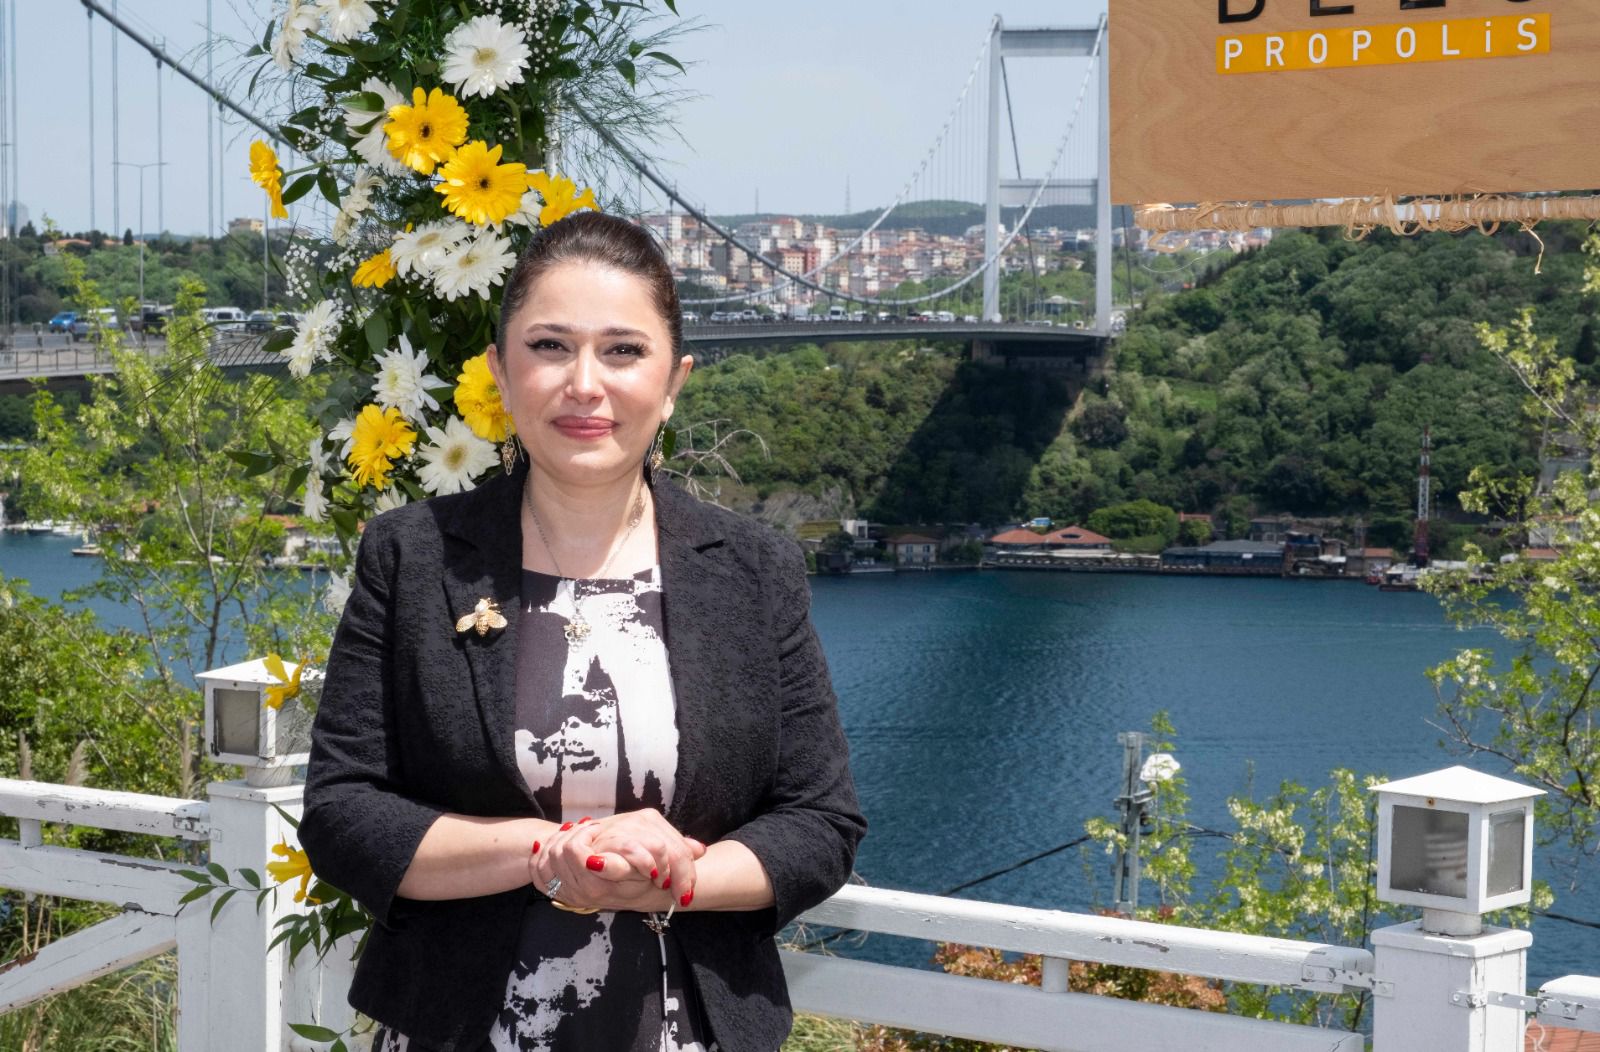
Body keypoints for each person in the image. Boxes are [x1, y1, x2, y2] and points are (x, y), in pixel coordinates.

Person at [299, 211, 865, 1052]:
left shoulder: (755, 570)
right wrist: (553, 852)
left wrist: (677, 877)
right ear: (501, 372)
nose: (586, 384)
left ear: (674, 381)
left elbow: (820, 824)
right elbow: (342, 813)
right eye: (550, 347)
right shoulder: (412, 556)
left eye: (624, 350)